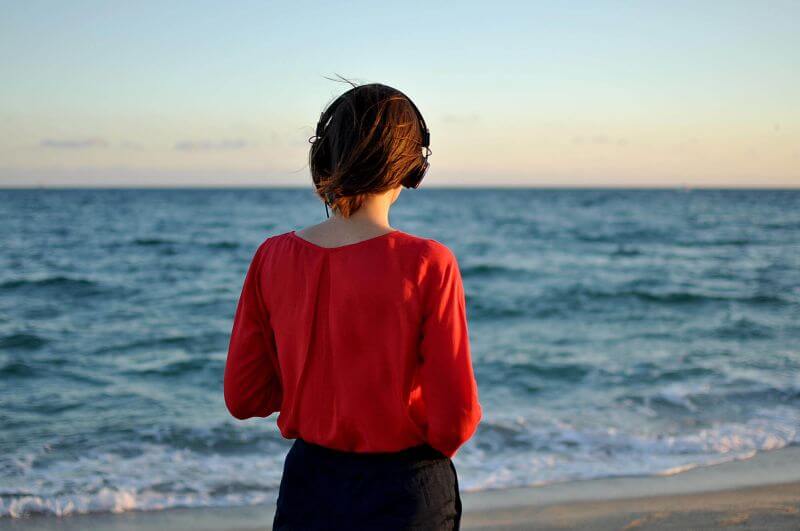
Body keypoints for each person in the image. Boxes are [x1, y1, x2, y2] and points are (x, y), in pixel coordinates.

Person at [223, 81, 482, 530]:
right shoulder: (427, 262)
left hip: (309, 486)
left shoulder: (271, 256)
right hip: (404, 488)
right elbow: (454, 422)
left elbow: (245, 397)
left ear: (324, 158)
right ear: (411, 166)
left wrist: (320, 394)